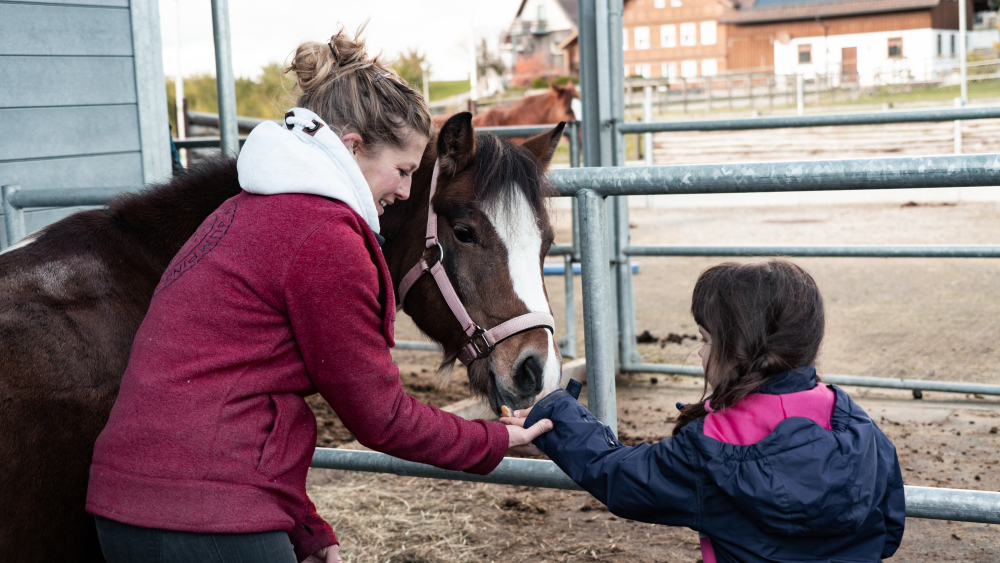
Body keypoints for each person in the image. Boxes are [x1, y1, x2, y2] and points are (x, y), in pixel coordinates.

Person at [86, 26, 550, 563]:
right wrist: (495, 440)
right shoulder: (326, 239)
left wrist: (304, 528)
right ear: (351, 146)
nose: (404, 192)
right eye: (402, 171)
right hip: (206, 517)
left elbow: (248, 399)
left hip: (132, 509)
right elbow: (383, 419)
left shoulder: (240, 213)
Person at [504, 260, 905, 563]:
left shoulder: (714, 449)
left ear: (740, 349)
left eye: (705, 339)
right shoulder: (855, 423)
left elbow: (620, 476)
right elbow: (888, 530)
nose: (698, 351)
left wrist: (557, 415)